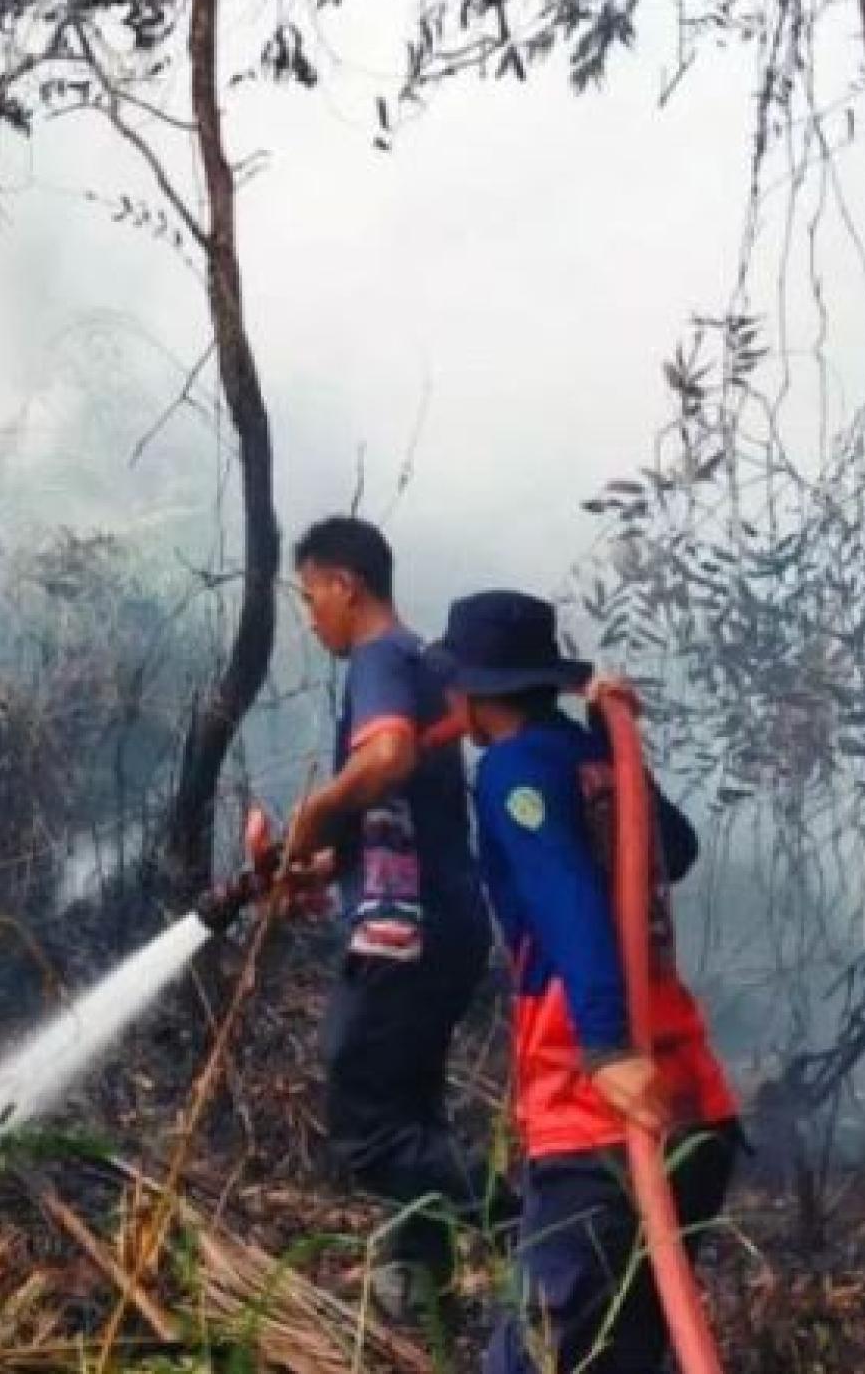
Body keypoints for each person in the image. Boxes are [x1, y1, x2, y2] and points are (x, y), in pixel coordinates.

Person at [430, 589, 741, 1374]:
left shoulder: (513, 770)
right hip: (692, 1104)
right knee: (622, 1353)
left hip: (599, 1111)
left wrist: (605, 1046)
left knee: (533, 1357)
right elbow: (676, 846)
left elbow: (567, 896)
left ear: (476, 689)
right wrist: (615, 736)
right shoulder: (587, 756)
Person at [284, 515, 496, 1322]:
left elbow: (389, 759)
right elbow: (412, 803)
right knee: (411, 1110)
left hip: (402, 933)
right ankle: (420, 1278)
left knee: (366, 1131)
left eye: (311, 597)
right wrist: (324, 856)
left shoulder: (379, 657)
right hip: (449, 924)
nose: (311, 618)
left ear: (347, 584)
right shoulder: (429, 663)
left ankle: (547, 1221)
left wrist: (317, 809)